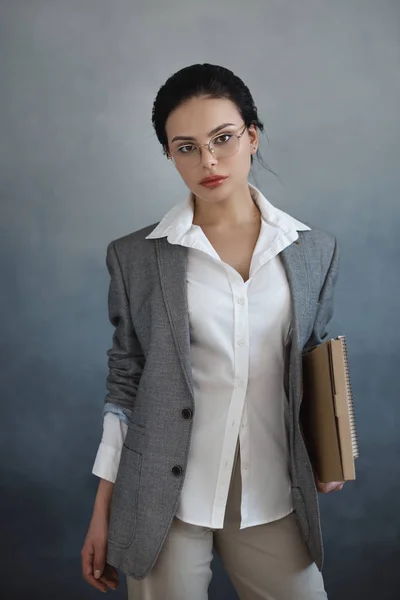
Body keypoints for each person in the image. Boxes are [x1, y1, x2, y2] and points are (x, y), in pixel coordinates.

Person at [81, 63, 343, 600]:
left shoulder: (313, 250)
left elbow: (315, 357)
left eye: (223, 138)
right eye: (186, 147)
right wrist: (103, 508)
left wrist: (333, 450)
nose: (209, 161)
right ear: (169, 155)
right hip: (161, 499)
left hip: (273, 491)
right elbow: (125, 382)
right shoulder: (135, 257)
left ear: (252, 135)